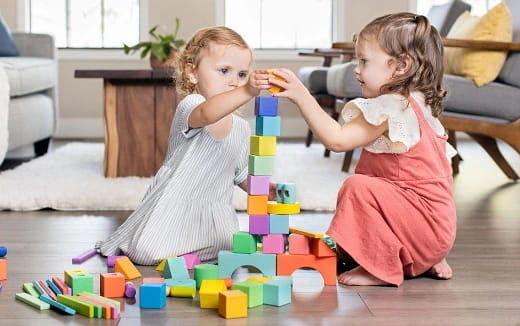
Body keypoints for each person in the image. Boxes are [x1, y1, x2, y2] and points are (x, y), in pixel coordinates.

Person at [268, 13, 457, 286]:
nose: (357, 69)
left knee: (357, 187)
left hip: (424, 231)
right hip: (438, 232)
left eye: (364, 61)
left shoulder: (393, 106)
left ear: (401, 66)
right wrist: (434, 244)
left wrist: (302, 96)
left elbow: (337, 140)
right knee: (375, 190)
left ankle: (380, 267)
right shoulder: (420, 106)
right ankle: (423, 257)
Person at [96, 26, 273, 265]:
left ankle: (195, 251)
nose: (234, 81)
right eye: (224, 71)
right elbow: (209, 113)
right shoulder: (192, 106)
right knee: (146, 253)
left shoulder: (241, 128)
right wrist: (248, 89)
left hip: (214, 214)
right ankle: (180, 249)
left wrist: (262, 187)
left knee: (229, 246)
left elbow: (240, 174)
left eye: (242, 74)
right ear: (192, 73)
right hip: (177, 205)